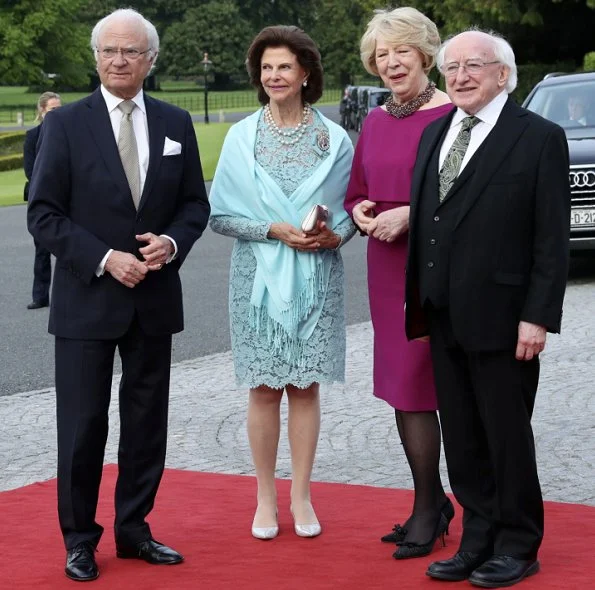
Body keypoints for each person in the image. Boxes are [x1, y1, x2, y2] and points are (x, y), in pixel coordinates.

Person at [27, 8, 210, 582]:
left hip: (154, 301)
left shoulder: (177, 122)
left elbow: (194, 206)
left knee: (146, 424)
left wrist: (171, 245)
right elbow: (44, 215)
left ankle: (135, 530)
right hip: (86, 300)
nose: (119, 60)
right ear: (96, 57)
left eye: (131, 51)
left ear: (151, 60)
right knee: (83, 428)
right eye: (109, 50)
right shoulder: (65, 125)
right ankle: (80, 538)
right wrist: (106, 259)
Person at [405, 30, 570, 587]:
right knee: (463, 435)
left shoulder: (539, 137)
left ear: (504, 73)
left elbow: (551, 237)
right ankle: (477, 537)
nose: (460, 76)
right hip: (442, 312)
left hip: (505, 319)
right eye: (451, 67)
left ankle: (519, 544)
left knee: (506, 435)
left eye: (474, 65)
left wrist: (538, 315)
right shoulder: (434, 134)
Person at [209, 25, 355, 541]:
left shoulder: (334, 138)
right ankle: (265, 497)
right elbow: (220, 216)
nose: (274, 76)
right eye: (266, 68)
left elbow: (352, 212)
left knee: (306, 386)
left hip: (318, 275)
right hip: (256, 278)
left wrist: (333, 237)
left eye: (284, 67)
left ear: (306, 74)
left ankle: (302, 496)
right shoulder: (241, 135)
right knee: (265, 388)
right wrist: (271, 228)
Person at [344, 7, 453, 560]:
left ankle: (432, 508)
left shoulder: (454, 114)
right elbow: (356, 189)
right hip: (385, 269)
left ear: (425, 55)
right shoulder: (376, 120)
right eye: (381, 55)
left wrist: (411, 213)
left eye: (401, 52)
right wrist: (361, 212)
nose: (390, 63)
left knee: (428, 385)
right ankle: (430, 502)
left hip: (435, 267)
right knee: (404, 391)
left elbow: (465, 195)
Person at [23, 91, 62, 309]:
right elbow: (31, 171)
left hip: (66, 198)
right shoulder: (32, 136)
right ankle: (40, 296)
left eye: (59, 108)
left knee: (71, 247)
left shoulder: (70, 134)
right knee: (42, 249)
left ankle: (72, 296)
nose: (57, 113)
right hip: (41, 198)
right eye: (52, 110)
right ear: (42, 111)